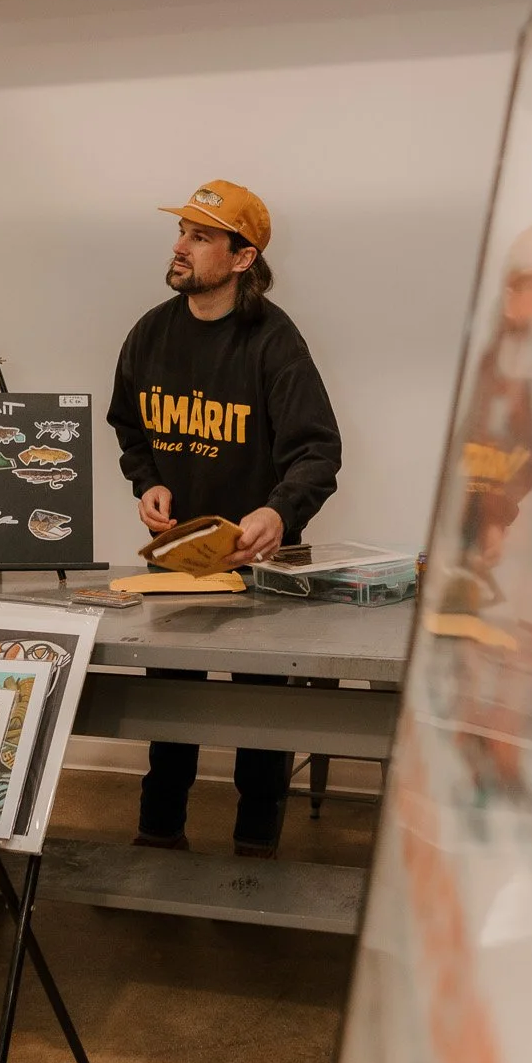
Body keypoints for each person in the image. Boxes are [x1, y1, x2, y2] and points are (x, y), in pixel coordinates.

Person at [108, 179, 341, 856]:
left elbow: (316, 452)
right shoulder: (150, 333)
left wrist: (277, 509)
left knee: (261, 717)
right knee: (170, 707)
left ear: (242, 259)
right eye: (181, 231)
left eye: (200, 236)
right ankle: (158, 834)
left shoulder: (273, 341)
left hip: (262, 565)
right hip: (180, 560)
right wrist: (146, 484)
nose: (180, 246)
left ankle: (255, 848)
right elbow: (130, 429)